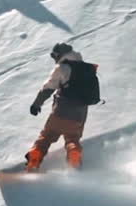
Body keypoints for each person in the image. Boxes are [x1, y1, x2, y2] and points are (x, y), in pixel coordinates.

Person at [25, 42, 98, 172]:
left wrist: (37, 104)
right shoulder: (87, 69)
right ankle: (74, 157)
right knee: (72, 139)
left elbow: (48, 88)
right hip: (79, 115)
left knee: (46, 137)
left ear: (60, 54)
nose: (55, 59)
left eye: (55, 56)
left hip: (61, 111)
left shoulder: (63, 68)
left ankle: (34, 160)